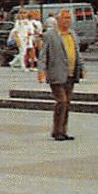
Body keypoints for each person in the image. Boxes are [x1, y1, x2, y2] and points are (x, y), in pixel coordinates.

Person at [38, 9, 83, 141]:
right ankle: (56, 130)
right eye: (65, 18)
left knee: (67, 103)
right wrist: (41, 71)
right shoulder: (50, 35)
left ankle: (63, 131)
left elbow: (77, 52)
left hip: (71, 73)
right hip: (56, 73)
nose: (68, 21)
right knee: (61, 101)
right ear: (58, 20)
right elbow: (43, 55)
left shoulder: (72, 34)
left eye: (69, 18)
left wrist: (82, 67)